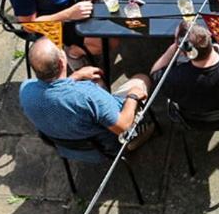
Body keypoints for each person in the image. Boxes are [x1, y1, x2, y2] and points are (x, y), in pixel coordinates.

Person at [19, 38, 151, 157]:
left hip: (69, 148)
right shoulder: (87, 95)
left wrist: (74, 76)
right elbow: (122, 126)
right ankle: (133, 138)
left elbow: (53, 92)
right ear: (61, 62)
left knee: (98, 81)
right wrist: (132, 96)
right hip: (106, 147)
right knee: (141, 79)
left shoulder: (26, 88)